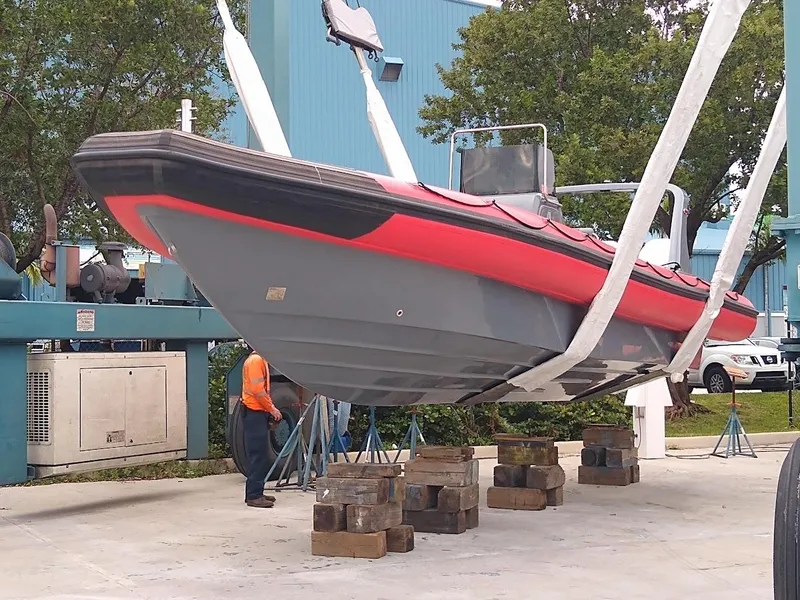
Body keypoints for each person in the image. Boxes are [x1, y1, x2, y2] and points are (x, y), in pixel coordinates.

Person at [241, 348, 283, 508]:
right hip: (254, 412)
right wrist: (272, 409)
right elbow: (258, 391)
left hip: (256, 412)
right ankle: (254, 495)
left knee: (260, 454)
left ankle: (256, 491)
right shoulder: (256, 361)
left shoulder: (259, 360)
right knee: (257, 455)